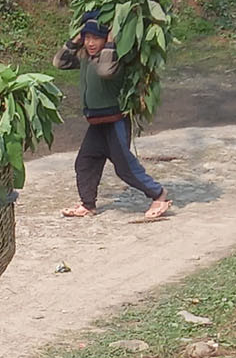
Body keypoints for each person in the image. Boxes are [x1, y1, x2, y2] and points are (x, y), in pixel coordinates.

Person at [56, 16, 171, 222]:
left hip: (115, 121)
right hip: (97, 124)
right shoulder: (85, 58)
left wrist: (111, 41)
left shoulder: (116, 59)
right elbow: (59, 62)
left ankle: (159, 195)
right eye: (87, 38)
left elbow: (105, 71)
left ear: (106, 39)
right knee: (85, 162)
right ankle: (87, 204)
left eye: (96, 38)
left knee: (124, 167)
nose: (91, 43)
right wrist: (76, 39)